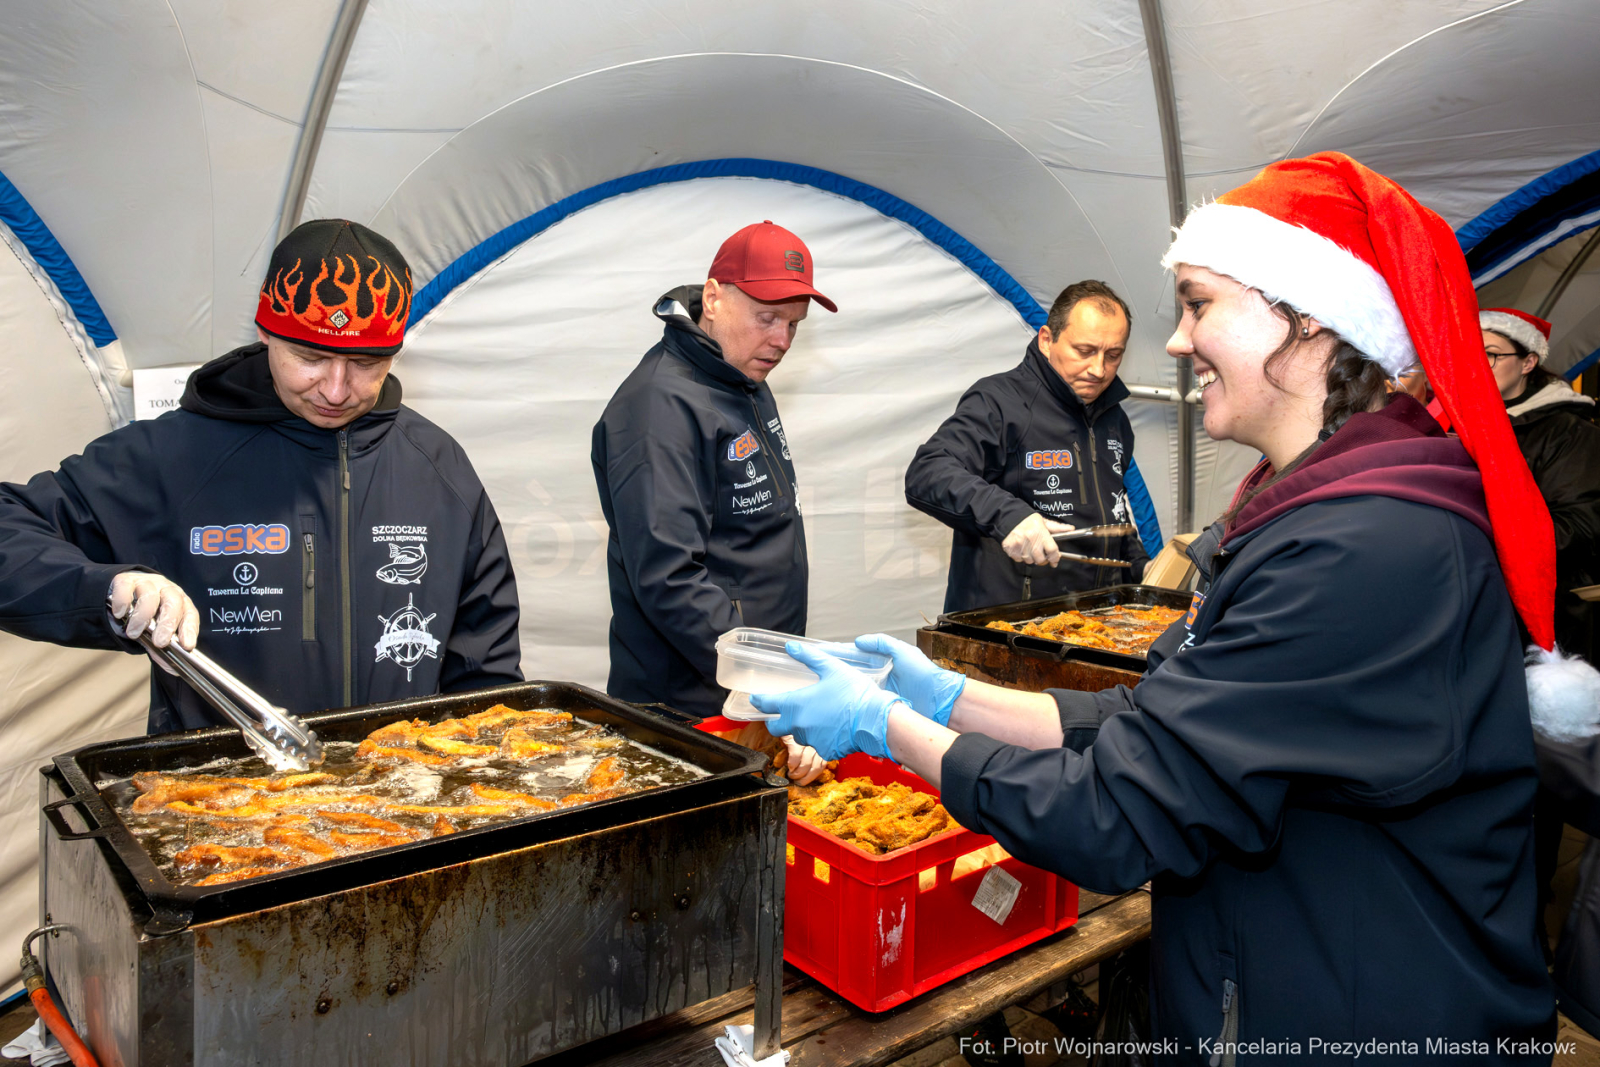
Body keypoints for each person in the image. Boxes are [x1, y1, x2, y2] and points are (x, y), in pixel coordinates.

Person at [755, 154, 1580, 1056]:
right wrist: (947, 696)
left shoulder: (1364, 548)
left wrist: (887, 727)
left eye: (1197, 303)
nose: (1176, 343)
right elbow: (1153, 716)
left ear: (1307, 318)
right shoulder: (1313, 507)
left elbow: (1117, 814)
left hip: (1359, 1020)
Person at [0, 219, 523, 733]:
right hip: (222, 797)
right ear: (266, 332)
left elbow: (488, 673)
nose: (336, 389)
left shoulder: (436, 466)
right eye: (310, 357)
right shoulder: (173, 455)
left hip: (400, 796)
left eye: (366, 362)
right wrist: (105, 589)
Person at [591, 221, 833, 779]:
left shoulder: (740, 376)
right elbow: (669, 576)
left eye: (794, 324)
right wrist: (768, 689)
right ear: (715, 296)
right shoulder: (659, 407)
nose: (781, 341)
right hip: (687, 710)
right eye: (767, 317)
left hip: (744, 691)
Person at [905, 280, 1149, 611]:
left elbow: (1113, 512)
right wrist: (1010, 517)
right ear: (1047, 340)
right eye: (1084, 351)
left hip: (1090, 627)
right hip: (1007, 630)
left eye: (1113, 355)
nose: (1098, 369)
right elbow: (928, 471)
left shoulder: (1114, 419)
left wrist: (1141, 566)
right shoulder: (1000, 401)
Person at [1482, 308, 1600, 664]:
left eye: (1490, 354)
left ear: (1528, 362)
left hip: (1549, 616)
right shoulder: (1457, 424)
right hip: (1482, 603)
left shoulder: (1570, 432)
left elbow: (1579, 526)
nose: (1477, 364)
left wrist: (1477, 539)